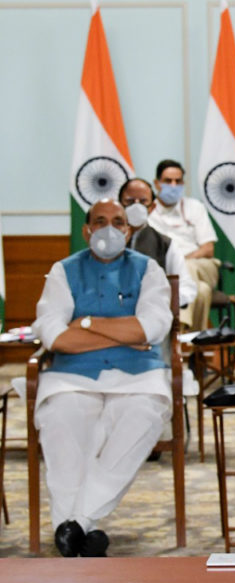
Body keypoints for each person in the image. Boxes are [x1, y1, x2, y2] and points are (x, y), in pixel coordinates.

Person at [32, 199, 173, 557]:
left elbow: (152, 328)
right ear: (87, 230)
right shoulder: (63, 271)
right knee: (61, 424)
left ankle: (76, 524)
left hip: (138, 377)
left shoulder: (149, 270)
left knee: (140, 422)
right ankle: (83, 531)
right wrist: (125, 334)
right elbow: (55, 336)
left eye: (118, 222)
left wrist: (86, 323)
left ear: (128, 230)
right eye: (100, 221)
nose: (109, 229)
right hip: (72, 376)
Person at [118, 178, 202, 329]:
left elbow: (186, 288)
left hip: (153, 320)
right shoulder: (106, 243)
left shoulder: (166, 245)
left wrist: (159, 300)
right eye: (130, 201)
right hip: (113, 318)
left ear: (152, 207)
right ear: (119, 205)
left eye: (143, 201)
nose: (136, 206)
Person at [148, 159, 219, 329]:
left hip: (201, 265)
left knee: (186, 267)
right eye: (168, 181)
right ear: (156, 183)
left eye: (178, 181)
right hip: (164, 271)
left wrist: (181, 261)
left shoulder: (195, 207)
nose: (173, 186)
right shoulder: (148, 211)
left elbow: (208, 249)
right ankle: (194, 342)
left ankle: (179, 325)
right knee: (202, 291)